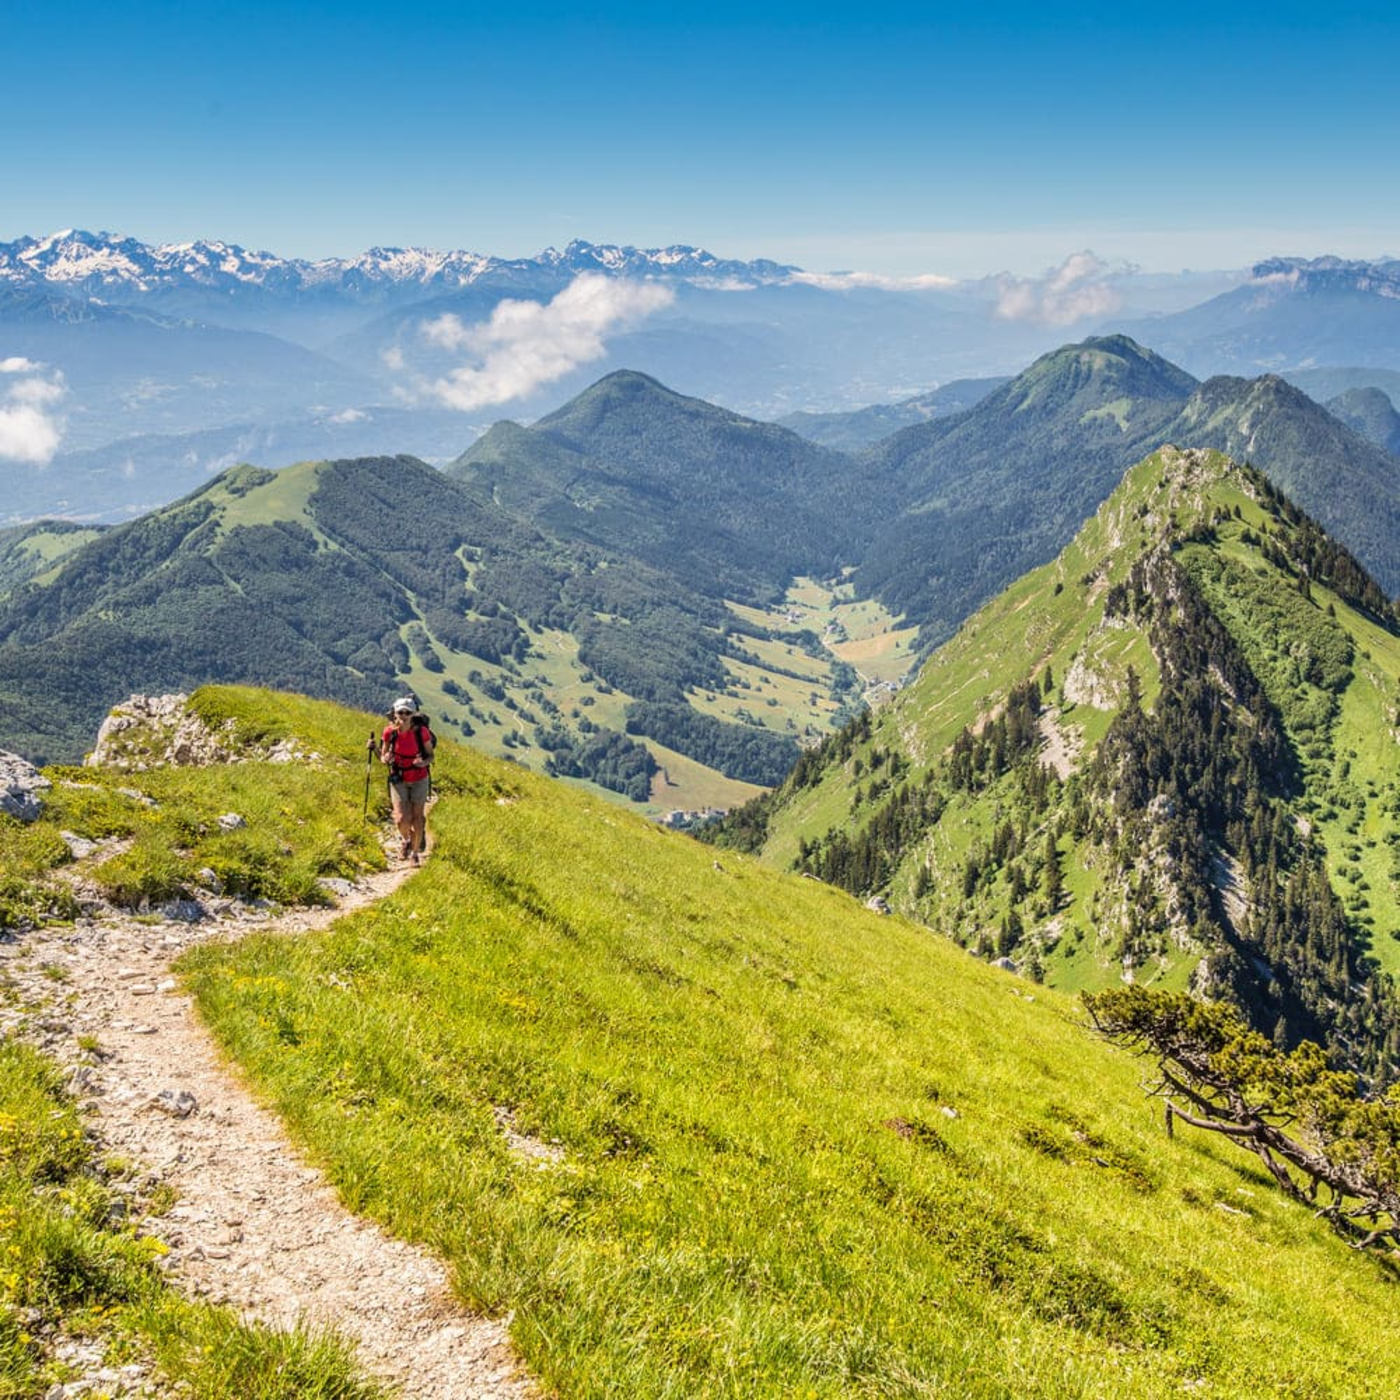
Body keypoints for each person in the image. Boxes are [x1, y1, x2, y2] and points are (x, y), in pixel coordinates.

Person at [379, 696, 435, 864]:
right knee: (401, 818)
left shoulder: (421, 732)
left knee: (418, 817)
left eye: (407, 712)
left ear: (412, 714)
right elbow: (383, 755)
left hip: (419, 778)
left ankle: (415, 854)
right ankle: (406, 839)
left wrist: (423, 762)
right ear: (394, 713)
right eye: (400, 712)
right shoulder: (389, 732)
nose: (403, 715)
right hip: (399, 777)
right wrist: (386, 758)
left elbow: (431, 756)